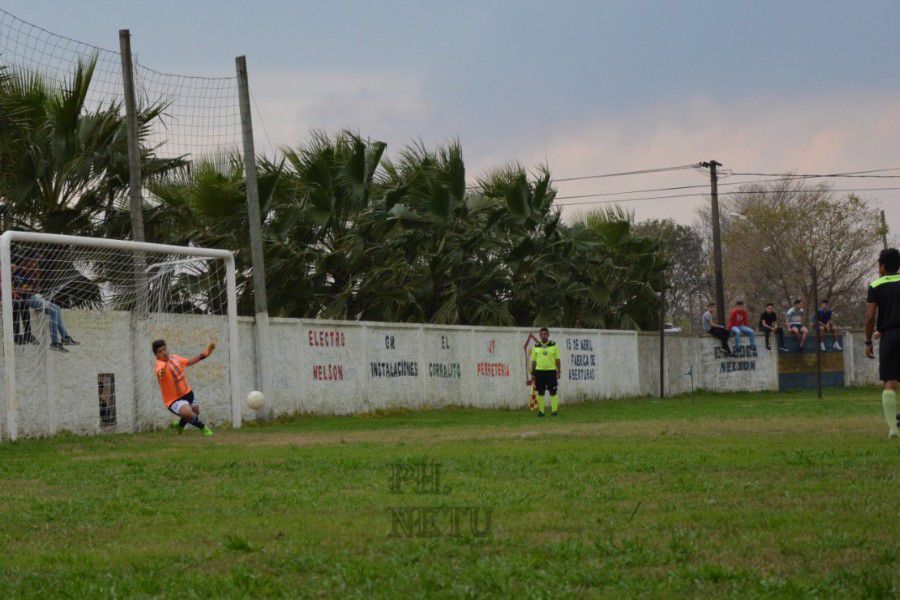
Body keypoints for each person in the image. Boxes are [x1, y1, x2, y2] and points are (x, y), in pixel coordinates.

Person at [864, 248, 900, 438]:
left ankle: (893, 429)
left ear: (882, 266)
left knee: (889, 381)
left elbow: (870, 316)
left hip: (890, 337)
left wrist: (868, 341)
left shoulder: (876, 285)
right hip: (890, 331)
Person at [153, 339, 216, 436]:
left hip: (188, 392)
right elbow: (160, 373)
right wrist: (163, 368)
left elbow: (189, 362)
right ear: (156, 355)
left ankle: (180, 425)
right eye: (160, 351)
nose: (163, 352)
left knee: (196, 412)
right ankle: (203, 427)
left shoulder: (175, 357)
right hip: (173, 399)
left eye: (164, 349)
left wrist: (206, 353)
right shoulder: (159, 365)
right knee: (188, 414)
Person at [15, 258, 78, 352]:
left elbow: (34, 290)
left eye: (34, 262)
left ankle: (65, 337)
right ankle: (55, 343)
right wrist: (30, 289)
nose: (34, 264)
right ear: (26, 262)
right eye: (31, 262)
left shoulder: (31, 274)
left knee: (57, 308)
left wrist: (37, 278)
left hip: (33, 297)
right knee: (52, 312)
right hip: (26, 299)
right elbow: (18, 289)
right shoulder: (19, 272)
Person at [530, 327, 561, 417]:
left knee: (553, 391)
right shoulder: (536, 346)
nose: (543, 336)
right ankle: (541, 411)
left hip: (551, 371)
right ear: (539, 335)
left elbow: (557, 359)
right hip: (539, 372)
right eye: (541, 334)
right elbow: (534, 361)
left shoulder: (553, 345)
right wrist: (533, 373)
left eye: (545, 334)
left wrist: (559, 371)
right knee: (540, 391)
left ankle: (554, 411)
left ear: (548, 335)